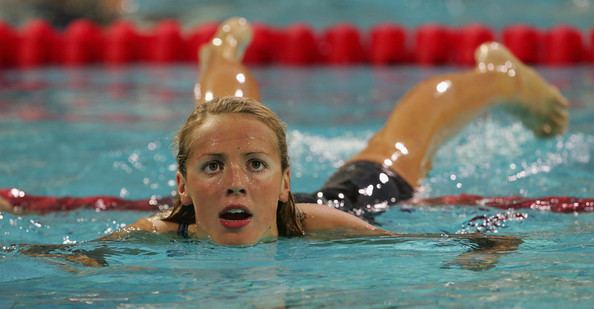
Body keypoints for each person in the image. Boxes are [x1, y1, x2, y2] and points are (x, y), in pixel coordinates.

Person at [1, 18, 568, 248]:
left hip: (354, 198)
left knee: (401, 145)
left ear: (284, 179)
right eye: (211, 169)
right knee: (224, 120)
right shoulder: (165, 227)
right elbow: (85, 255)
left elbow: (419, 248)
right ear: (181, 186)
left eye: (256, 166)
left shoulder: (317, 220)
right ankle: (217, 53)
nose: (234, 183)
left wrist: (479, 245)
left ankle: (498, 78)